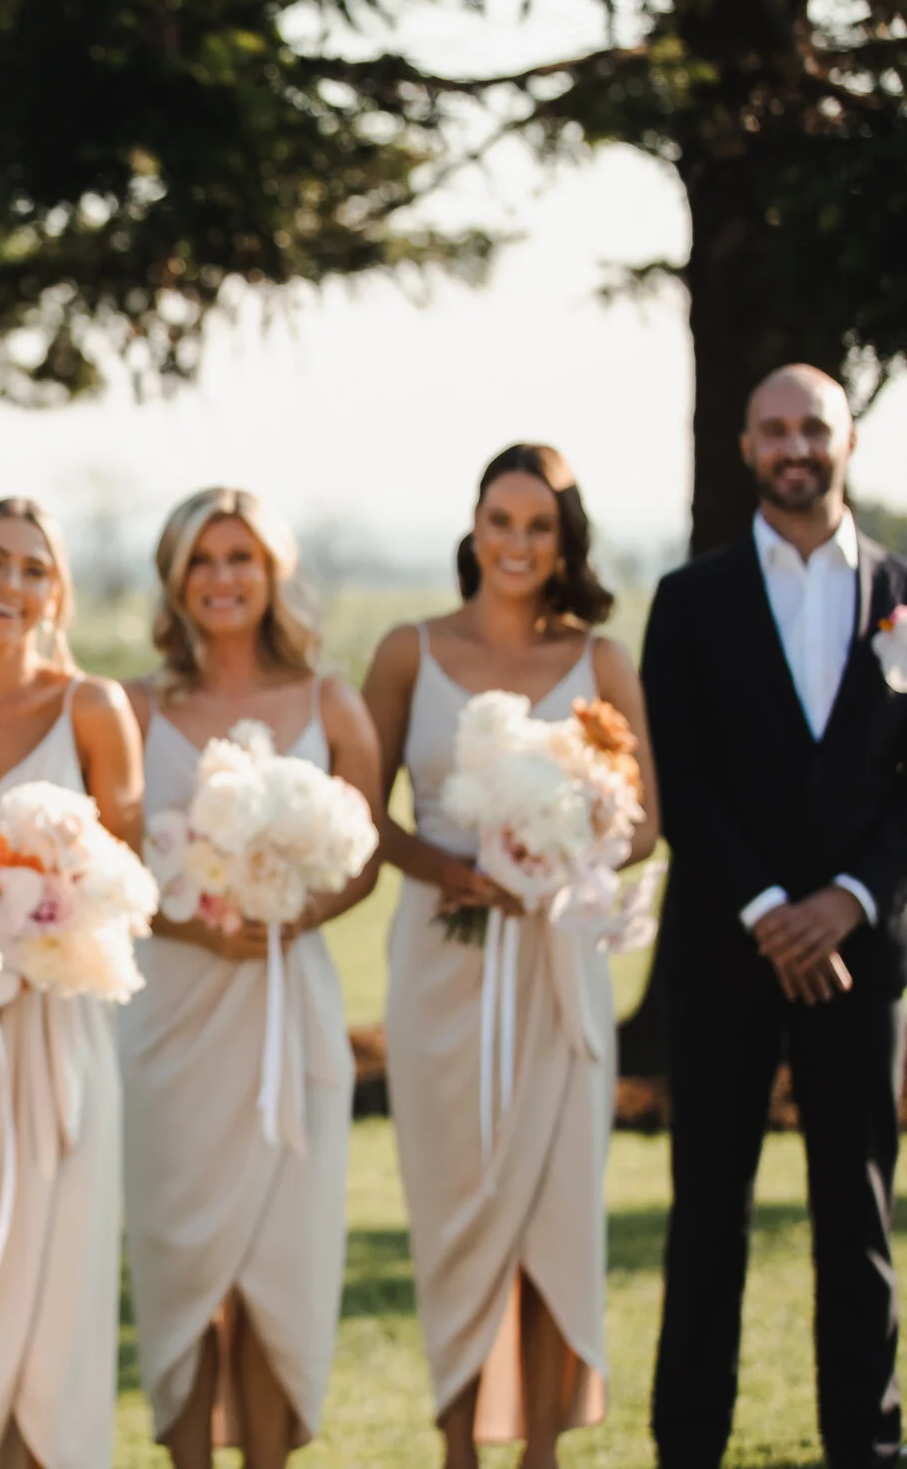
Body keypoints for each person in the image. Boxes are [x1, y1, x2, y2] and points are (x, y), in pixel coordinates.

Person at [362, 446, 658, 1469]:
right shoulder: (407, 650)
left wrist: (560, 848)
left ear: (565, 541)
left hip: (557, 964)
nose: (518, 543)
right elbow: (363, 813)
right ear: (475, 526)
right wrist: (450, 867)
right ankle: (457, 1447)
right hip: (441, 962)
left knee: (554, 1211)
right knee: (453, 1207)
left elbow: (644, 822)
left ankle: (540, 1452)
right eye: (502, 520)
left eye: (540, 526)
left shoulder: (600, 661)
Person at [646, 365, 907, 1469]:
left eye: (813, 426)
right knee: (708, 1213)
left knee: (858, 1213)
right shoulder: (689, 598)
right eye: (774, 429)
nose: (795, 445)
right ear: (746, 445)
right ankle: (688, 1446)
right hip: (723, 943)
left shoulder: (903, 592)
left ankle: (869, 1446)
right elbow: (678, 776)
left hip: (859, 953)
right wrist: (766, 908)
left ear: (848, 439)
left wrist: (847, 901)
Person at [120, 488, 382, 1469]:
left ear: (273, 573)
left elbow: (363, 855)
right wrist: (193, 920)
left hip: (287, 1004)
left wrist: (293, 912)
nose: (222, 577)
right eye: (202, 559)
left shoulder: (329, 700)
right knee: (181, 1259)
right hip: (173, 1014)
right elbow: (112, 866)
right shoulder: (137, 707)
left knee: (280, 1262)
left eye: (241, 557)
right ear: (174, 577)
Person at [0, 497, 142, 1469]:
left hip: (58, 1032)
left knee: (57, 1284)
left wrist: (54, 907)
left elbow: (129, 879)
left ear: (56, 593)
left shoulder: (91, 709)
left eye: (33, 569)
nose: (9, 584)